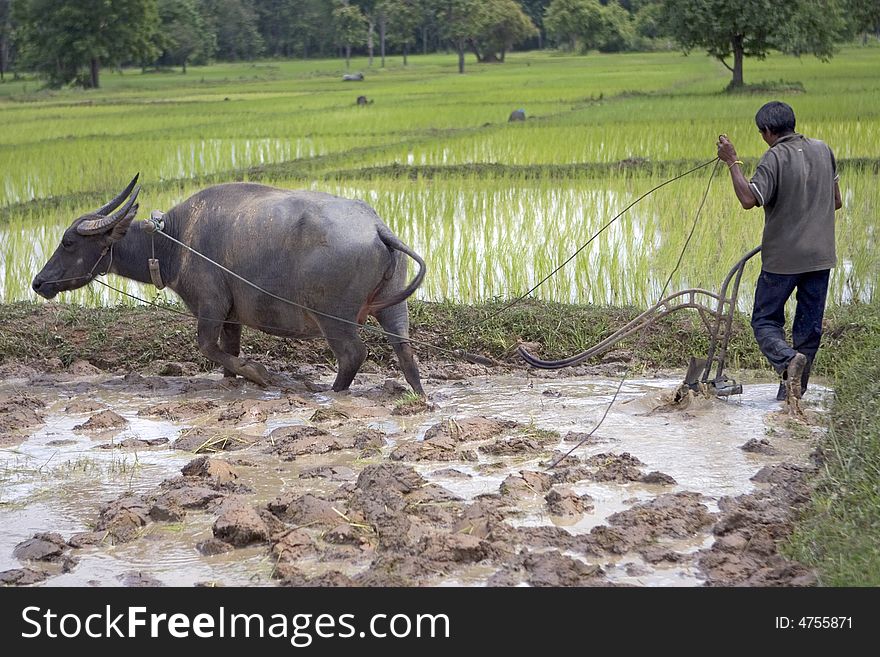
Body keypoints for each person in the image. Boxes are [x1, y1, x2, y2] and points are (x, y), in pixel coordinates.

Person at [716, 101, 842, 402]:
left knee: (764, 320)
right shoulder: (824, 150)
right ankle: (792, 399)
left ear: (769, 131)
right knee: (808, 330)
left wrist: (732, 162)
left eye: (762, 133)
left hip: (783, 259)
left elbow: (749, 199)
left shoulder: (774, 157)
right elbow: (836, 201)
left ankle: (786, 361)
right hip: (821, 257)